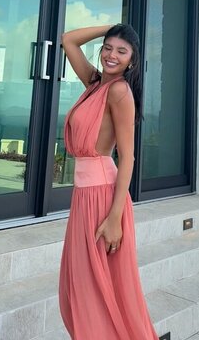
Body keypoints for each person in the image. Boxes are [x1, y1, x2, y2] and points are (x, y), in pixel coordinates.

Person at [59, 24, 159, 340]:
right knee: (84, 285)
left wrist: (115, 218)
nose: (112, 55)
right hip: (84, 195)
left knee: (99, 288)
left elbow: (127, 157)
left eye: (122, 51)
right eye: (107, 47)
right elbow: (68, 40)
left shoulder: (119, 92)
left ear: (132, 60)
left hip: (103, 197)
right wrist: (113, 27)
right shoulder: (95, 84)